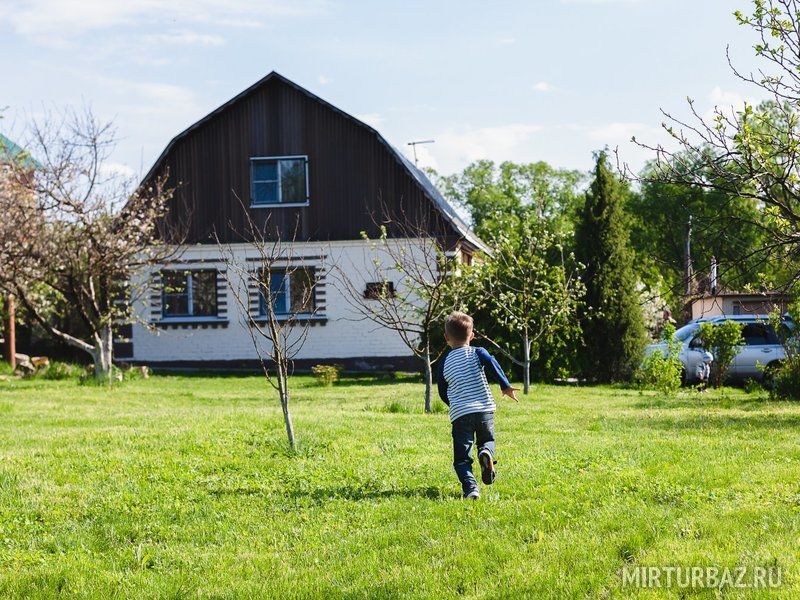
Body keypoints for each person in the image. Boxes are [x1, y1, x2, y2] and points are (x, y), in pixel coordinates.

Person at [437, 311, 519, 499]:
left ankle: (471, 488)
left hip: (460, 415)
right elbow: (492, 362)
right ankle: (485, 452)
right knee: (487, 440)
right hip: (484, 410)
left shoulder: (443, 362)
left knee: (461, 459)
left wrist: (452, 404)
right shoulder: (478, 352)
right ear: (472, 336)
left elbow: (442, 390)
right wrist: (505, 386)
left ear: (446, 337)